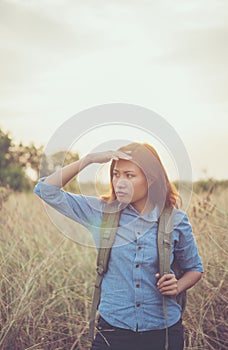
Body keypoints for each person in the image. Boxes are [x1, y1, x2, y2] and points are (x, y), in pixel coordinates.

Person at [34, 142, 203, 350]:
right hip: (113, 330)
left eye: (129, 175)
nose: (120, 182)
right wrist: (88, 160)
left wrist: (178, 285)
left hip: (163, 331)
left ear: (151, 179)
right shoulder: (101, 212)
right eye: (116, 174)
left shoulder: (176, 220)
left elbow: (195, 268)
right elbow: (45, 190)